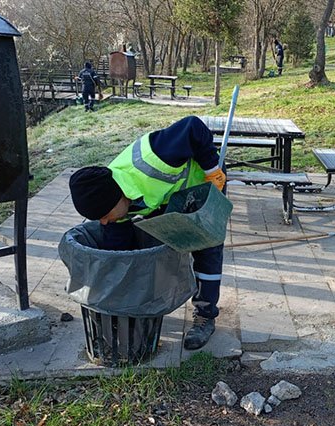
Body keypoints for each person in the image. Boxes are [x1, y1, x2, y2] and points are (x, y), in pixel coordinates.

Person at [68, 116, 227, 350]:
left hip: (206, 183)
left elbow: (193, 126)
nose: (103, 222)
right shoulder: (112, 206)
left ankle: (205, 315)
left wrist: (213, 170)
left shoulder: (155, 157)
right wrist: (120, 303)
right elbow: (119, 255)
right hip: (168, 198)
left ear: (115, 199)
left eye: (103, 215)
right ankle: (148, 307)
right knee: (154, 249)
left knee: (207, 250)